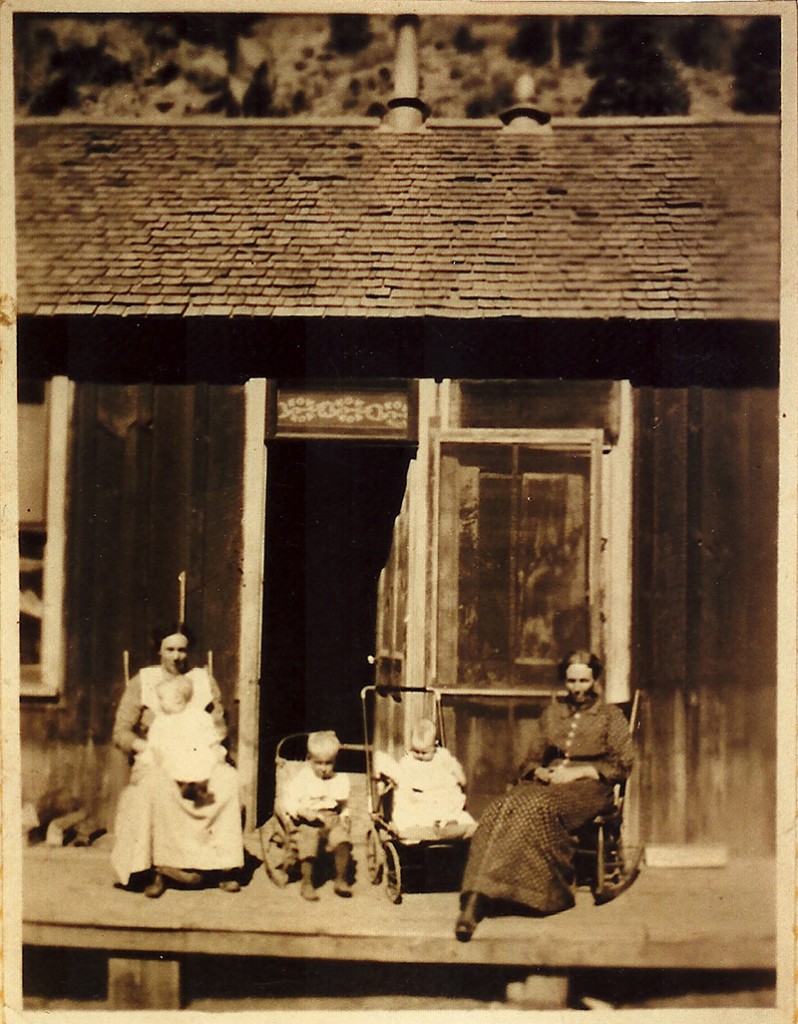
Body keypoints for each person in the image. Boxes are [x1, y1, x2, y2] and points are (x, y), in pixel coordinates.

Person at [454, 650, 634, 942]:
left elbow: (623, 763)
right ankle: (476, 896)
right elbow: (529, 760)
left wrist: (580, 772)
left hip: (590, 788)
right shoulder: (552, 714)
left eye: (584, 681)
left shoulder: (610, 717)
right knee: (501, 806)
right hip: (549, 784)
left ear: (595, 680)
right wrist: (539, 772)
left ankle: (543, 894)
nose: (577, 688)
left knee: (538, 807)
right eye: (571, 680)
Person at [111, 626, 244, 898]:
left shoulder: (202, 680)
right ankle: (158, 868)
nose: (176, 656)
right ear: (159, 650)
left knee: (228, 782)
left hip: (198, 756)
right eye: (170, 649)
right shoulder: (144, 681)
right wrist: (146, 747)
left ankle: (222, 865)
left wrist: (205, 745)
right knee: (156, 786)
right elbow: (121, 731)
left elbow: (219, 726)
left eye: (182, 649)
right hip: (157, 756)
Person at [282, 730, 353, 901]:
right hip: (309, 819)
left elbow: (344, 805)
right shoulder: (303, 778)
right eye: (318, 763)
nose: (323, 768)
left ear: (335, 761)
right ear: (309, 759)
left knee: (342, 840)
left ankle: (341, 879)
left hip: (331, 817)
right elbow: (289, 801)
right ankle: (307, 882)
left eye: (328, 763)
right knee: (309, 842)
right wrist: (301, 811)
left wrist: (345, 816)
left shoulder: (340, 778)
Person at [140, 674, 227, 808]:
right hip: (169, 762)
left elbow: (211, 740)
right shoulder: (160, 721)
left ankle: (198, 792)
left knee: (211, 771)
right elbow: (154, 746)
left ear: (178, 699)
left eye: (161, 698)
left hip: (196, 761)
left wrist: (218, 757)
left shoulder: (200, 717)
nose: (159, 703)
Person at [386, 718, 475, 837]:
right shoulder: (408, 761)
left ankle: (448, 826)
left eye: (425, 752)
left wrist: (459, 776)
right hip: (419, 801)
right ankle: (418, 831)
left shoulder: (442, 757)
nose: (420, 756)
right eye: (416, 751)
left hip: (441, 798)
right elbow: (401, 779)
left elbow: (458, 773)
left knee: (458, 814)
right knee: (406, 814)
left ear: (435, 744)